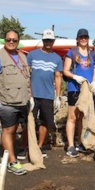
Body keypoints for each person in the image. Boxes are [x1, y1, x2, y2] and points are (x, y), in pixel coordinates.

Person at [0, 30, 31, 175]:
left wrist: (32, 97)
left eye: (14, 40)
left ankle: (9, 153)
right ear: (4, 40)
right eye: (8, 39)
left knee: (14, 129)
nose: (11, 42)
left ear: (18, 41)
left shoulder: (23, 56)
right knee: (8, 130)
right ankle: (12, 162)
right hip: (6, 102)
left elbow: (28, 79)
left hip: (22, 101)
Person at [26, 29, 63, 158]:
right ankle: (26, 147)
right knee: (28, 121)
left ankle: (40, 146)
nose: (48, 42)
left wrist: (57, 96)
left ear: (53, 41)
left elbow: (58, 77)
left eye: (50, 40)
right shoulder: (32, 55)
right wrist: (28, 94)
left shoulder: (57, 58)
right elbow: (27, 74)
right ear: (42, 40)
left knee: (44, 122)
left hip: (47, 95)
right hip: (33, 95)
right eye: (46, 40)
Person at [63, 28, 95, 158]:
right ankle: (71, 146)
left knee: (83, 117)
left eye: (85, 37)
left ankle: (80, 143)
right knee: (72, 117)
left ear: (88, 39)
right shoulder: (72, 52)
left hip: (87, 90)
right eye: (81, 37)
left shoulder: (93, 54)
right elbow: (65, 70)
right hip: (74, 88)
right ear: (77, 39)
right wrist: (74, 77)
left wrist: (94, 82)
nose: (83, 39)